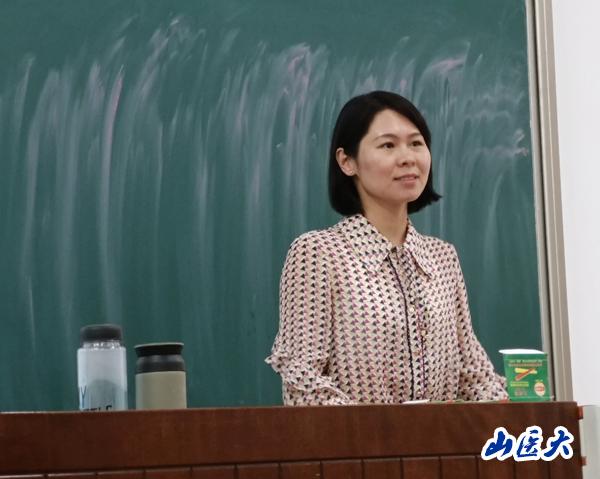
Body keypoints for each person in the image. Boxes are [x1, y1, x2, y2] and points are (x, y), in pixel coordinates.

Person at [265, 91, 507, 405]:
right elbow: (304, 384)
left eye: (416, 143)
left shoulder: (442, 258)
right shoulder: (318, 254)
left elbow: (474, 377)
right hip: (358, 438)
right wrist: (383, 429)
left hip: (441, 438)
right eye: (388, 145)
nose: (407, 158)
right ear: (347, 161)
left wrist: (508, 406)